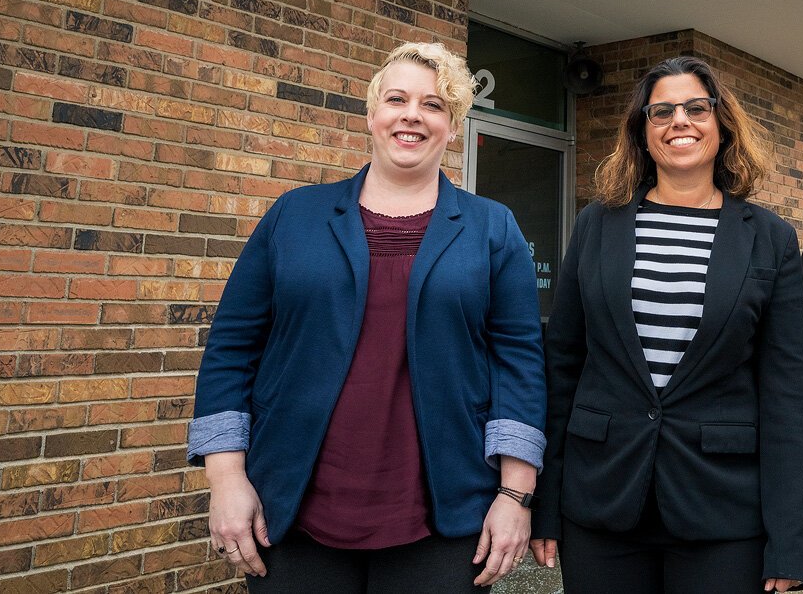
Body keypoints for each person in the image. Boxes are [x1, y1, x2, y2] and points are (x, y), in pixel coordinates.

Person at [188, 41, 546, 591]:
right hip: (292, 509)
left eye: (433, 105)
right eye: (397, 99)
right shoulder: (294, 215)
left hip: (444, 517)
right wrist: (227, 477)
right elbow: (232, 347)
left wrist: (514, 494)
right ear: (372, 114)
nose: (412, 115)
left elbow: (519, 362)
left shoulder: (492, 228)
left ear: (452, 127)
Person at [530, 56, 803, 594]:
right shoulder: (597, 224)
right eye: (661, 111)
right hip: (602, 502)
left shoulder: (768, 238)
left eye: (695, 108)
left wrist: (791, 541)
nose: (678, 121)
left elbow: (789, 394)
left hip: (722, 512)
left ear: (721, 123)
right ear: (642, 131)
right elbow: (562, 365)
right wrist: (544, 505)